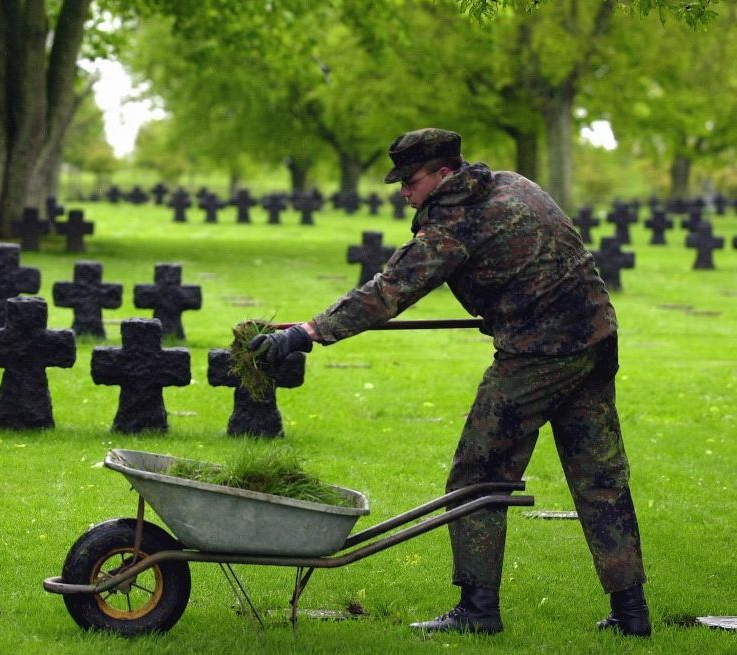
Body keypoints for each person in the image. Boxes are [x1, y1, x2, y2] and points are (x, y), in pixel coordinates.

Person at [249, 128, 650, 637]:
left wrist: (308, 333)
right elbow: (549, 259)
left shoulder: (456, 221)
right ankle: (631, 615)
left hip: (537, 355)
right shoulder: (512, 184)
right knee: (601, 478)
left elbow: (389, 291)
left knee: (478, 476)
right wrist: (504, 303)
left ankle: (478, 611)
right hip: (596, 338)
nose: (403, 192)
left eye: (411, 181)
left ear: (443, 173)